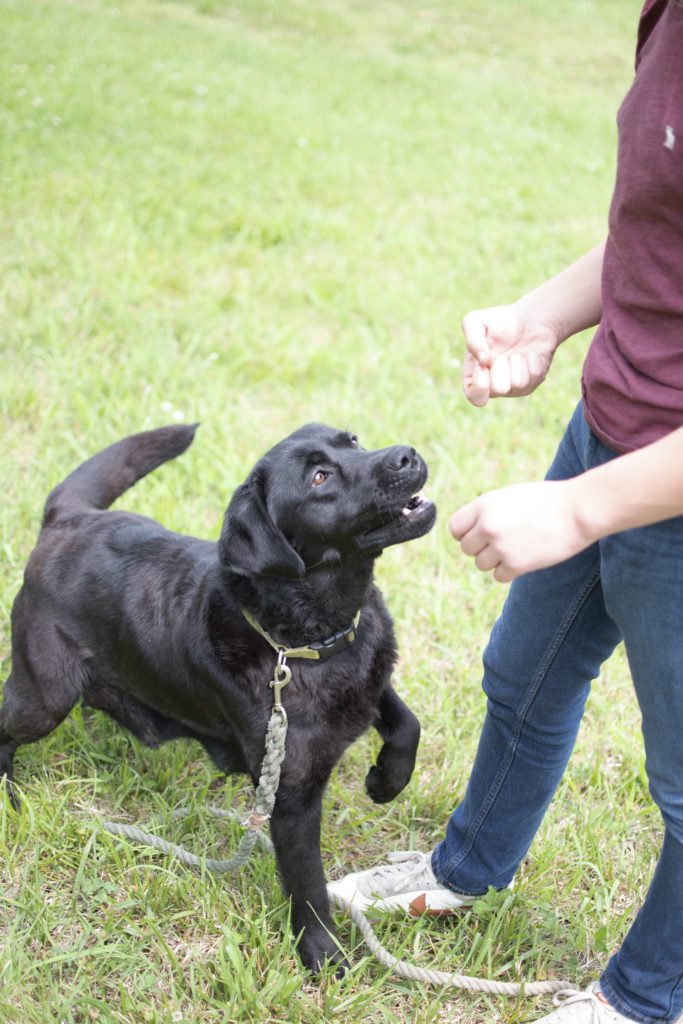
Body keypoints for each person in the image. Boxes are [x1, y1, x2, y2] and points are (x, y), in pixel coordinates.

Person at [327, 2, 683, 1021]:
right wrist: (543, 315)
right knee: (520, 674)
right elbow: (651, 232)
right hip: (611, 426)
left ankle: (645, 997)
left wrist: (579, 510)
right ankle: (466, 867)